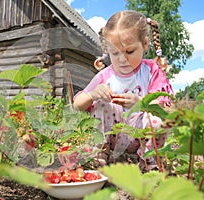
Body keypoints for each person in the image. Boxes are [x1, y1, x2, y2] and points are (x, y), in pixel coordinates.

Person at [73, 10, 174, 171]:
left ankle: (149, 161)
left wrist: (142, 103)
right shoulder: (105, 76)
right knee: (100, 104)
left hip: (141, 135)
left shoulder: (151, 70)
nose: (122, 59)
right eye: (115, 53)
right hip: (114, 135)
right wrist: (93, 95)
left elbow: (166, 109)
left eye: (129, 52)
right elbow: (77, 105)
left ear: (145, 44)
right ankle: (99, 155)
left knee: (158, 120)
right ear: (108, 51)